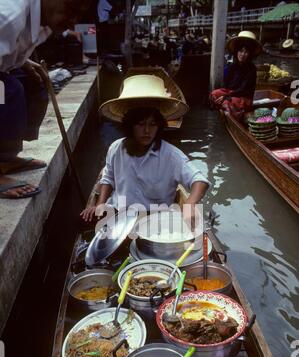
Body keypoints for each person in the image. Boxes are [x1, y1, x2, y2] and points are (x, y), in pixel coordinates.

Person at [81, 74, 210, 227]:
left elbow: (200, 181)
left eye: (153, 124)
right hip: (118, 214)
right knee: (82, 224)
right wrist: (99, 204)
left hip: (156, 219)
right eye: (141, 124)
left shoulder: (170, 154)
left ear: (159, 126)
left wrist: (189, 205)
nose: (147, 131)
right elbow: (108, 178)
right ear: (130, 126)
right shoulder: (116, 148)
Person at [0, 0, 93, 199]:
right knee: (9, 90)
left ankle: (4, 159)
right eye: (71, 9)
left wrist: (23, 62)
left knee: (34, 82)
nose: (72, 22)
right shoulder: (8, 16)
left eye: (79, 15)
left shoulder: (43, 21)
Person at [210, 31, 262, 121]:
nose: (243, 55)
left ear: (249, 54)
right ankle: (223, 111)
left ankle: (234, 117)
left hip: (244, 97)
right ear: (237, 51)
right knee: (214, 94)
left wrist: (227, 96)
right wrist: (224, 93)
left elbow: (243, 90)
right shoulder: (233, 66)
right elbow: (227, 85)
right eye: (241, 51)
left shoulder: (251, 69)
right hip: (232, 93)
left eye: (246, 52)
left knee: (226, 102)